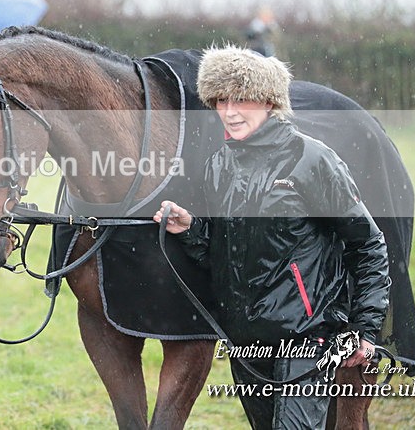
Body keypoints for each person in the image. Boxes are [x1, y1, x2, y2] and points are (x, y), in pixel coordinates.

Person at [153, 45, 390, 429]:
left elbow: (368, 245)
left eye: (242, 99)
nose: (229, 112)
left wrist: (365, 328)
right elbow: (225, 253)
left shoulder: (311, 160)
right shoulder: (218, 165)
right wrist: (192, 229)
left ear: (269, 101)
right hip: (246, 344)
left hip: (307, 339)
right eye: (220, 100)